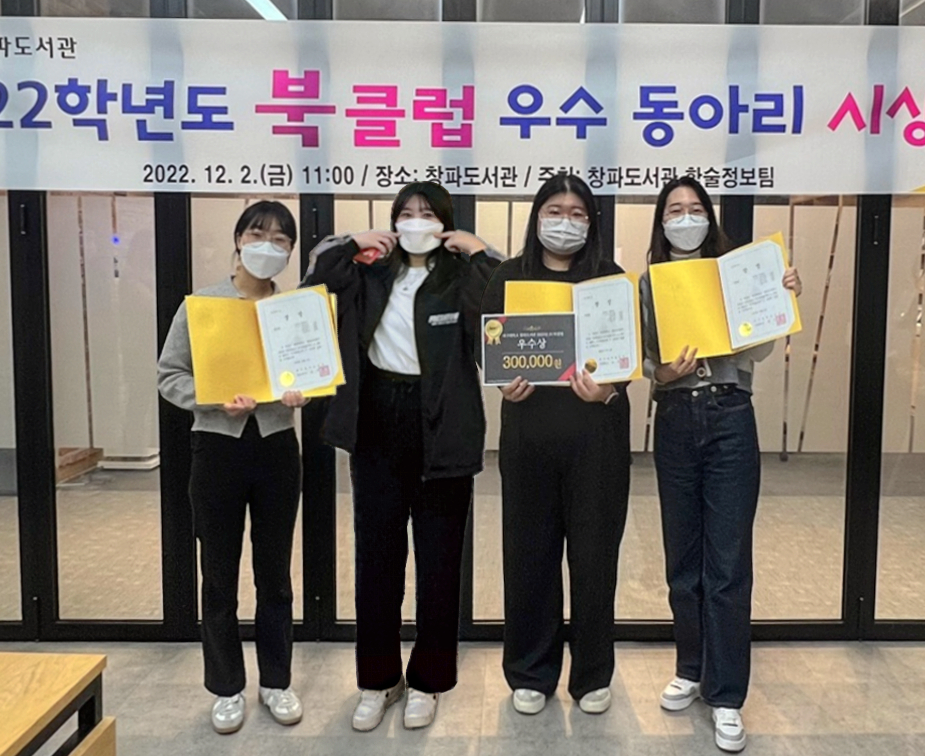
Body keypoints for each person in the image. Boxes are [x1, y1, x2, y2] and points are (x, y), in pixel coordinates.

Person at [305, 181, 498, 732]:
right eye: (406, 213)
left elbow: (504, 305)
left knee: (439, 563)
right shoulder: (369, 270)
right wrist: (354, 241)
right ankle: (378, 680)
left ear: (445, 223)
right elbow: (315, 278)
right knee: (377, 560)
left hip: (444, 424)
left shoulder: (458, 275)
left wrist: (479, 251)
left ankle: (429, 681)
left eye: (428, 214)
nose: (416, 222)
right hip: (377, 420)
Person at [640, 176, 800, 753]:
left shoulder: (737, 271)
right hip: (676, 417)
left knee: (728, 564)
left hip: (730, 414)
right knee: (682, 558)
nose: (686, 218)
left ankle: (727, 693)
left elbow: (759, 348)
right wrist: (665, 372)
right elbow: (647, 361)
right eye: (674, 210)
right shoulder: (650, 282)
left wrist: (779, 298)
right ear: (661, 223)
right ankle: (691, 666)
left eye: (695, 208)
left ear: (710, 216)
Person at [481, 173, 631, 717]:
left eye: (577, 214)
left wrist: (610, 388)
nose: (565, 223)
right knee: (530, 556)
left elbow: (626, 355)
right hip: (530, 435)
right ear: (537, 216)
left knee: (594, 559)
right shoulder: (508, 276)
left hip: (597, 438)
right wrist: (502, 381)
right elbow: (486, 345)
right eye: (554, 211)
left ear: (591, 222)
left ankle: (592, 673)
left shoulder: (609, 278)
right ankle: (530, 670)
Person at [157, 201, 310, 735]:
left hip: (276, 448)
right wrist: (211, 398)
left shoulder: (295, 310)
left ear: (290, 251)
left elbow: (312, 373)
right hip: (217, 448)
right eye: (257, 234)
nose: (268, 245)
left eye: (280, 239)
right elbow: (169, 375)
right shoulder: (202, 306)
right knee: (219, 576)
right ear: (239, 240)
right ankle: (226, 687)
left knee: (276, 576)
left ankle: (276, 681)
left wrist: (304, 392)